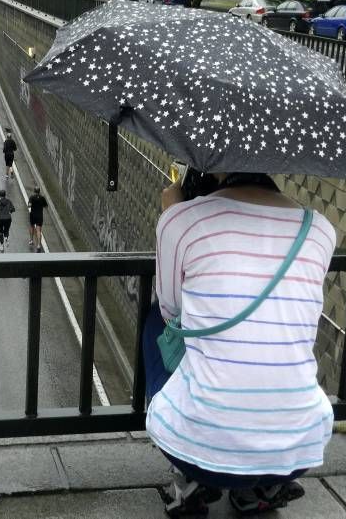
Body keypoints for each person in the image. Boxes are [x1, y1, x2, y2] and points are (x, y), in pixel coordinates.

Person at [143, 172, 335, 516]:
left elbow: (172, 310)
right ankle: (263, 487)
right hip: (299, 449)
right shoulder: (319, 230)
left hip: (198, 453)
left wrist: (173, 211)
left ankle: (191, 479)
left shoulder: (183, 220)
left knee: (156, 320)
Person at [28, 186, 48, 251]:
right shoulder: (42, 198)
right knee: (38, 230)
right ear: (39, 191)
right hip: (39, 215)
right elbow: (46, 206)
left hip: (33, 215)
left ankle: (31, 240)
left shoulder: (32, 197)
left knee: (31, 226)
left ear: (34, 191)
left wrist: (31, 205)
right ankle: (39, 245)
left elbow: (29, 205)